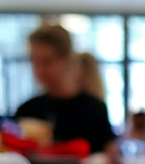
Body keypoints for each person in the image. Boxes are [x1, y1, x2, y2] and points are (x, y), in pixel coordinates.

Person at [14, 25, 117, 155]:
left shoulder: (94, 110)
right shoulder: (27, 110)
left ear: (66, 60)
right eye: (34, 61)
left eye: (47, 61)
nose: (39, 70)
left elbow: (106, 158)